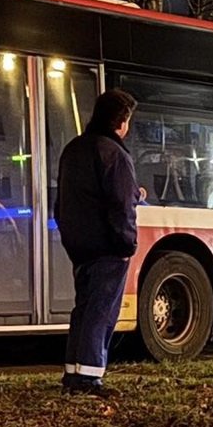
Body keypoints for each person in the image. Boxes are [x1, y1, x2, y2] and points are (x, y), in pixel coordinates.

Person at [54, 88, 140, 396]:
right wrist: (127, 244)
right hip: (107, 246)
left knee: (84, 308)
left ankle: (73, 373)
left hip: (78, 245)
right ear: (122, 121)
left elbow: (61, 201)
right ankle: (90, 378)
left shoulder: (74, 149)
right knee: (101, 312)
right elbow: (121, 205)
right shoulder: (114, 153)